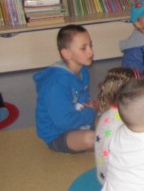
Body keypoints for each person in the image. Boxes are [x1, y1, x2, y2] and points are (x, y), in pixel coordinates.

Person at [33, 24, 97, 153]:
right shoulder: (56, 84)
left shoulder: (82, 71)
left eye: (90, 45)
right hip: (58, 134)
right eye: (83, 48)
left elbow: (83, 100)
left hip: (80, 121)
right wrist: (91, 113)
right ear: (67, 54)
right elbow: (64, 121)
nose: (91, 52)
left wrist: (93, 107)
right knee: (91, 139)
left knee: (114, 116)